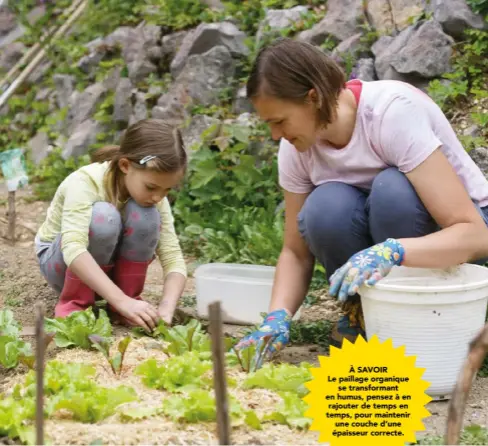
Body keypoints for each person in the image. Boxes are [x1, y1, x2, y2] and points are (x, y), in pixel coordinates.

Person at [234, 37, 488, 357]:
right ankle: (364, 313)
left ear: (312, 98)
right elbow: (296, 252)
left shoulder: (390, 114)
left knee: (392, 191)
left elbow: (476, 234)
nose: (274, 135)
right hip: (387, 236)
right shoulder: (295, 148)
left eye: (279, 121)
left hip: (461, 234)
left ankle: (420, 309)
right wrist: (276, 317)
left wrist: (393, 251)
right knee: (324, 207)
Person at [34, 119, 188, 332]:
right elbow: (73, 248)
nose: (158, 197)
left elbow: (173, 258)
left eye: (167, 190)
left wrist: (166, 308)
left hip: (106, 271)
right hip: (61, 263)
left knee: (148, 217)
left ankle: (125, 303)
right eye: (151, 187)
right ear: (125, 166)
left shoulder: (154, 198)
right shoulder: (85, 182)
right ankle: (76, 305)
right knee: (104, 217)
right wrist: (121, 300)